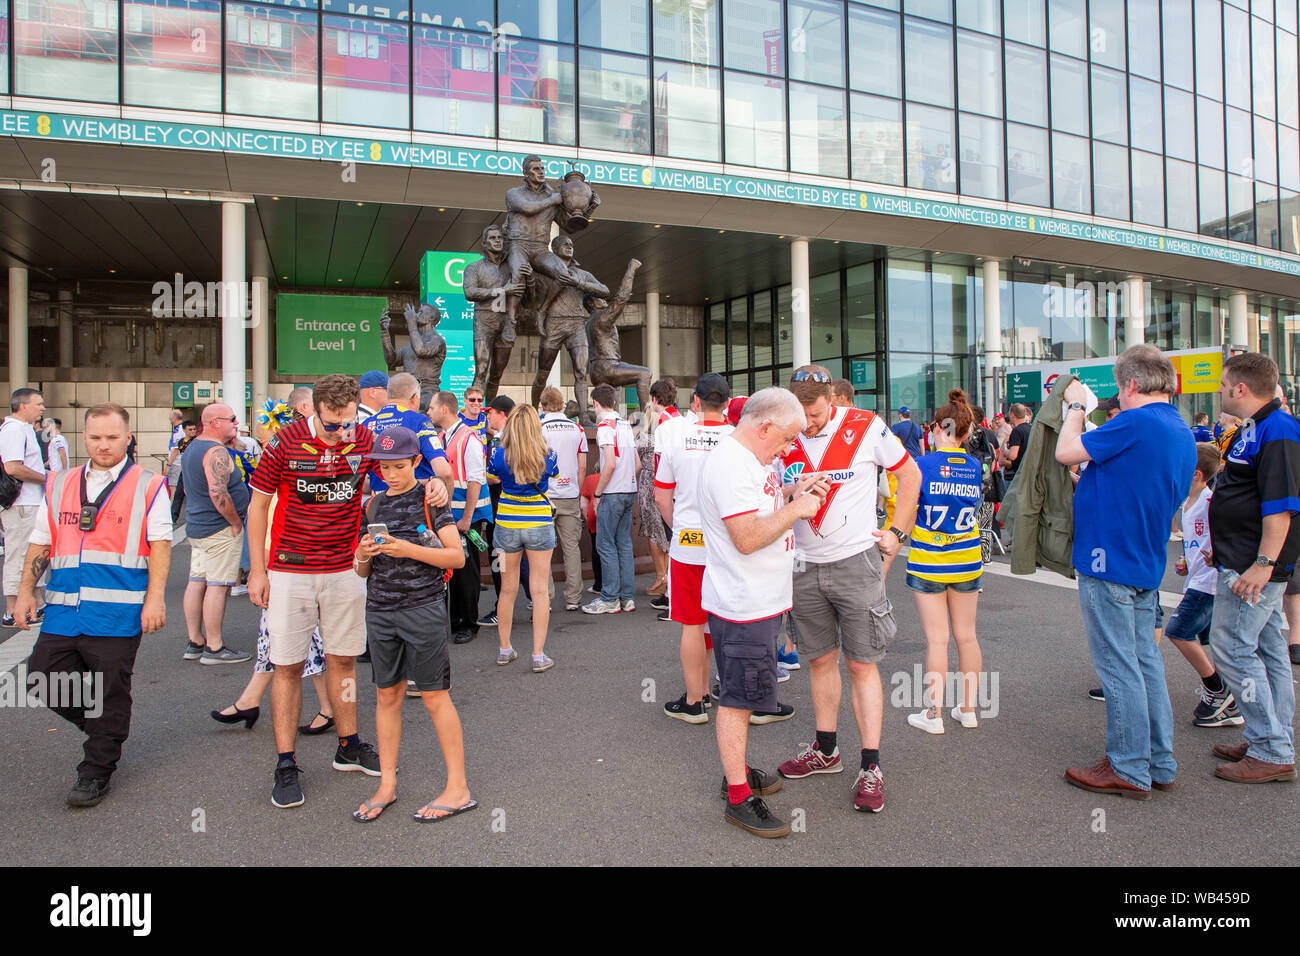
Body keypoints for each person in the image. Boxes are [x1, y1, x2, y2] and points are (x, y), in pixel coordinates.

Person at [774, 366, 920, 814]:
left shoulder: (865, 425)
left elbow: (910, 475)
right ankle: (826, 749)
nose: (809, 421)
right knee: (819, 661)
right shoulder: (788, 434)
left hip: (857, 562)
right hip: (804, 565)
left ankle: (871, 765)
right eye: (802, 411)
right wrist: (790, 489)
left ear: (833, 399)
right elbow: (772, 492)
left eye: (815, 411)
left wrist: (897, 532)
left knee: (861, 665)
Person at [1056, 345, 1196, 799]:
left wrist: (1076, 406)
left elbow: (1065, 451)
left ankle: (1129, 766)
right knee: (1144, 663)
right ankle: (1157, 760)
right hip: (1143, 558)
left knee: (1118, 667)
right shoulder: (1178, 427)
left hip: (1109, 557)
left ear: (1131, 384)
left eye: (1120, 387)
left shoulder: (1134, 421)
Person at [15, 403, 171, 807]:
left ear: (128, 437)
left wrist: (155, 599)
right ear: (85, 437)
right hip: (65, 608)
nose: (104, 445)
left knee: (110, 690)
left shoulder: (148, 484)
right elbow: (41, 541)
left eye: (112, 437)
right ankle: (107, 730)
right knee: (41, 676)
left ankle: (95, 771)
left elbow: (160, 546)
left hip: (118, 612)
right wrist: (25, 591)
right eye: (96, 437)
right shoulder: (59, 483)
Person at [247, 375, 383, 809]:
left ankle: (348, 744)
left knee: (344, 660)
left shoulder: (363, 438)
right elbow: (258, 506)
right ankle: (285, 763)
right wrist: (257, 570)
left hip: (345, 568)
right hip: (290, 570)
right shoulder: (285, 441)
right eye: (332, 425)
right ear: (313, 411)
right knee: (286, 666)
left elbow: (394, 478)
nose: (341, 434)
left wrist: (432, 482)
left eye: (348, 423)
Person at [698, 388, 826, 838]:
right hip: (744, 603)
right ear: (764, 426)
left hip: (755, 600)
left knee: (745, 696)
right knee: (739, 700)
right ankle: (737, 796)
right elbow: (747, 536)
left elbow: (758, 505)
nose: (791, 448)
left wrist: (792, 489)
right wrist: (797, 509)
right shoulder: (732, 464)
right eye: (788, 438)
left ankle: (738, 772)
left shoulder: (749, 459)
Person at [351, 426, 473, 823]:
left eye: (399, 466)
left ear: (416, 462)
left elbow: (456, 558)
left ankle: (458, 788)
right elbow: (360, 571)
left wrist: (408, 549)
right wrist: (364, 554)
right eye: (384, 467)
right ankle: (386, 784)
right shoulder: (373, 506)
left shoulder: (430, 497)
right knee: (386, 696)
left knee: (436, 696)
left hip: (422, 608)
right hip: (381, 609)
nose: (391, 473)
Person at [1204, 353, 1299, 784]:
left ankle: (1270, 747)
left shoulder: (1277, 430)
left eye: (1225, 384)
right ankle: (1274, 736)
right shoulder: (1258, 427)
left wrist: (1263, 564)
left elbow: (1280, 507)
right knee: (1267, 649)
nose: (1221, 390)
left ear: (1241, 389)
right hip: (1240, 559)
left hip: (1252, 567)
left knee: (1233, 649)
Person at [903, 390, 986, 734]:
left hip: (929, 560)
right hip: (967, 557)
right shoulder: (975, 466)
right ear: (967, 434)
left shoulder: (922, 465)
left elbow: (908, 508)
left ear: (936, 427)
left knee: (938, 639)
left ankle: (933, 713)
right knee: (967, 636)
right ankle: (968, 710)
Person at [655, 373, 733, 723]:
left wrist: (679, 529)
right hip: (729, 541)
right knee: (720, 621)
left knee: (690, 621)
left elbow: (661, 495)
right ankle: (711, 690)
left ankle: (694, 700)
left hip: (689, 539)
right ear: (728, 404)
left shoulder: (674, 435)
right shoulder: (738, 440)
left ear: (696, 402)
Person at [1168, 443, 1242, 728]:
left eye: (1181, 467)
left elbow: (1227, 533)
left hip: (1209, 583)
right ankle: (1229, 698)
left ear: (1197, 474)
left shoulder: (1211, 503)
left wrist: (1220, 557)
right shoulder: (1187, 502)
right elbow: (1197, 541)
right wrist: (1187, 559)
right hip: (1197, 579)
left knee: (1179, 632)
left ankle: (1217, 688)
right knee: (1211, 640)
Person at [488, 405, 559, 672]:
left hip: (506, 523)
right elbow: (554, 474)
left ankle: (505, 649)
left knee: (507, 589)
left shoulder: (498, 454)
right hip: (539, 524)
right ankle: (538, 655)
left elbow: (493, 475)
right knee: (540, 590)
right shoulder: (547, 454)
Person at [180, 404, 252, 665]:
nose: (236, 423)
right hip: (218, 528)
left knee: (197, 581)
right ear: (215, 422)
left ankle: (195, 641)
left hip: (198, 526)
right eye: (232, 419)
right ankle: (214, 646)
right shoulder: (215, 451)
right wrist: (234, 522)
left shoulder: (193, 447)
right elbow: (218, 492)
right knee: (218, 586)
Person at [430, 390, 492, 644]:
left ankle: (468, 622)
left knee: (467, 571)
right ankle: (456, 620)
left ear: (444, 409)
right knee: (453, 571)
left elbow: (476, 481)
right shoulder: (444, 436)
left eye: (432, 407)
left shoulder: (469, 438)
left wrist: (467, 519)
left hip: (468, 518)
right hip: (449, 516)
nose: (429, 411)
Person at [584, 384, 638, 614]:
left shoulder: (605, 427)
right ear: (614, 402)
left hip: (612, 493)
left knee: (605, 545)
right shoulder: (625, 424)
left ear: (596, 403)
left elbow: (610, 464)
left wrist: (597, 493)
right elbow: (637, 464)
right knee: (624, 544)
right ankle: (627, 598)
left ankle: (609, 598)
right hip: (629, 490)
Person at [362, 372, 453, 494]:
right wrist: (447, 509)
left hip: (379, 506)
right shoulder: (418, 422)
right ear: (415, 398)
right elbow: (444, 472)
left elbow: (359, 478)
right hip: (414, 505)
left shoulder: (366, 424)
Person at [1, 387, 48, 627]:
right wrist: (45, 478)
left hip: (30, 501)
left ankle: (37, 603)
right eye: (38, 404)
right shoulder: (13, 430)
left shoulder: (24, 429)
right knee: (19, 553)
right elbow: (12, 467)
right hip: (21, 502)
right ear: (23, 405)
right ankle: (11, 610)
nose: (42, 408)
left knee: (34, 552)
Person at [539, 386, 588, 611]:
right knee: (571, 547)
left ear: (543, 405)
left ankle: (545, 598)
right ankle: (573, 598)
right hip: (569, 492)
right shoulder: (576, 428)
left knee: (543, 550)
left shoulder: (539, 427)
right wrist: (577, 490)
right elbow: (582, 465)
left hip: (545, 495)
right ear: (561, 404)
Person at [1000, 404, 1033, 482]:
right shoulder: (1031, 428)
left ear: (1012, 414)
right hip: (1031, 471)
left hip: (1020, 474)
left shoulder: (1016, 431)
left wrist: (1005, 449)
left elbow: (1012, 455)